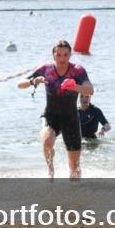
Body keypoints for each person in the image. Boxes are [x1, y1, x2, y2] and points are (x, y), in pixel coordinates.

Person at [18, 39, 93, 179]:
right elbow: (20, 84)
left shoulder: (77, 71)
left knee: (75, 168)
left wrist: (75, 86)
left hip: (71, 119)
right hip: (51, 116)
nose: (62, 58)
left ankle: (75, 195)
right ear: (53, 55)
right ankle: (51, 172)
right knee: (47, 142)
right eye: (58, 55)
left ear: (70, 55)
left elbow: (90, 90)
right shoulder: (46, 70)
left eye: (65, 55)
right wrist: (33, 81)